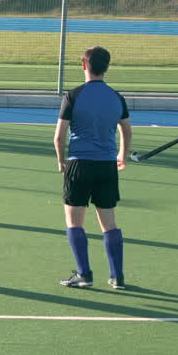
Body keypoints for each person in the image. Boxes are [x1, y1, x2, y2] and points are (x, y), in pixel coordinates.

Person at [53, 46, 132, 290]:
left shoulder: (73, 95)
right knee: (109, 222)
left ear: (84, 66)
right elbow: (126, 130)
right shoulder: (116, 97)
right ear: (106, 68)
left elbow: (59, 136)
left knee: (74, 222)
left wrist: (60, 161)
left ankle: (84, 274)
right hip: (106, 166)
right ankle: (117, 276)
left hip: (79, 164)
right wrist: (122, 155)